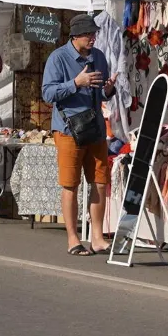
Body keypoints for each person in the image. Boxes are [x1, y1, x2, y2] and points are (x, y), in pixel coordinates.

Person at [42, 14, 118, 256]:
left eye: (94, 33)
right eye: (89, 34)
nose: (93, 37)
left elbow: (101, 94)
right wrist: (76, 82)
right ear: (75, 36)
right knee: (70, 185)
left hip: (94, 126)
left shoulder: (99, 57)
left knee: (99, 180)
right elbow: (48, 94)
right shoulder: (58, 58)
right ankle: (73, 239)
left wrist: (108, 90)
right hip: (68, 129)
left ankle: (97, 237)